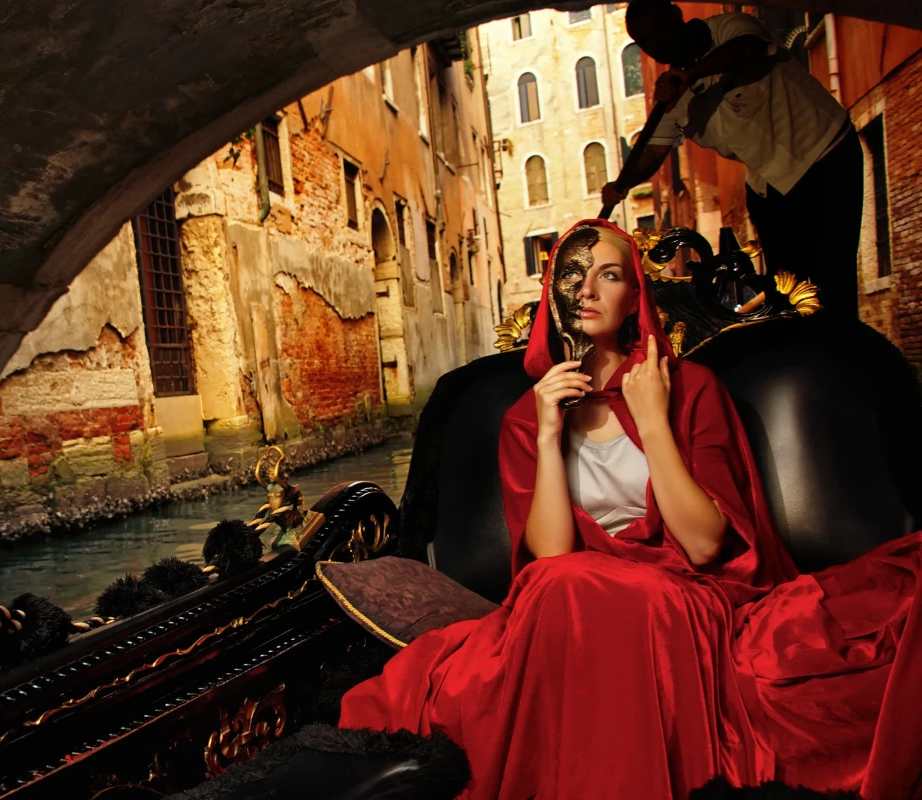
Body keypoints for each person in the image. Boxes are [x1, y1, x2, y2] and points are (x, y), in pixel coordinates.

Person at [338, 220, 922, 800]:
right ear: (553, 291)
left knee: (569, 587)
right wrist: (547, 434)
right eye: (572, 274)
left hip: (684, 597)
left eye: (610, 275)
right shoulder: (526, 417)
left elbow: (704, 545)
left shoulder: (690, 388)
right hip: (574, 608)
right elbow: (552, 554)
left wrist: (652, 420)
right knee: (560, 584)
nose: (587, 290)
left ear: (635, 297)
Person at [603, 0, 863, 318]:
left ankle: (844, 340)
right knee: (788, 294)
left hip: (825, 153)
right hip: (770, 184)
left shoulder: (730, 28)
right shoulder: (673, 98)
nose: (656, 44)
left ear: (676, 15)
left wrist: (692, 73)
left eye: (658, 30)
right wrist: (622, 184)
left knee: (833, 281)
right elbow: (654, 152)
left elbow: (751, 48)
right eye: (645, 41)